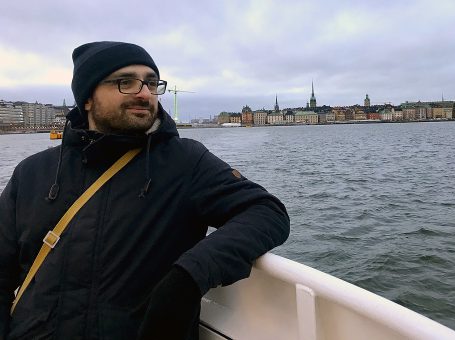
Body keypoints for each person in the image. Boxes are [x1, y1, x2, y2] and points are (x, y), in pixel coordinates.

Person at [0, 41, 290, 340]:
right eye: (126, 82)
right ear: (87, 98)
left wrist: (189, 275)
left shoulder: (184, 162)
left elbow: (267, 212)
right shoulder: (32, 173)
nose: (144, 93)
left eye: (151, 83)